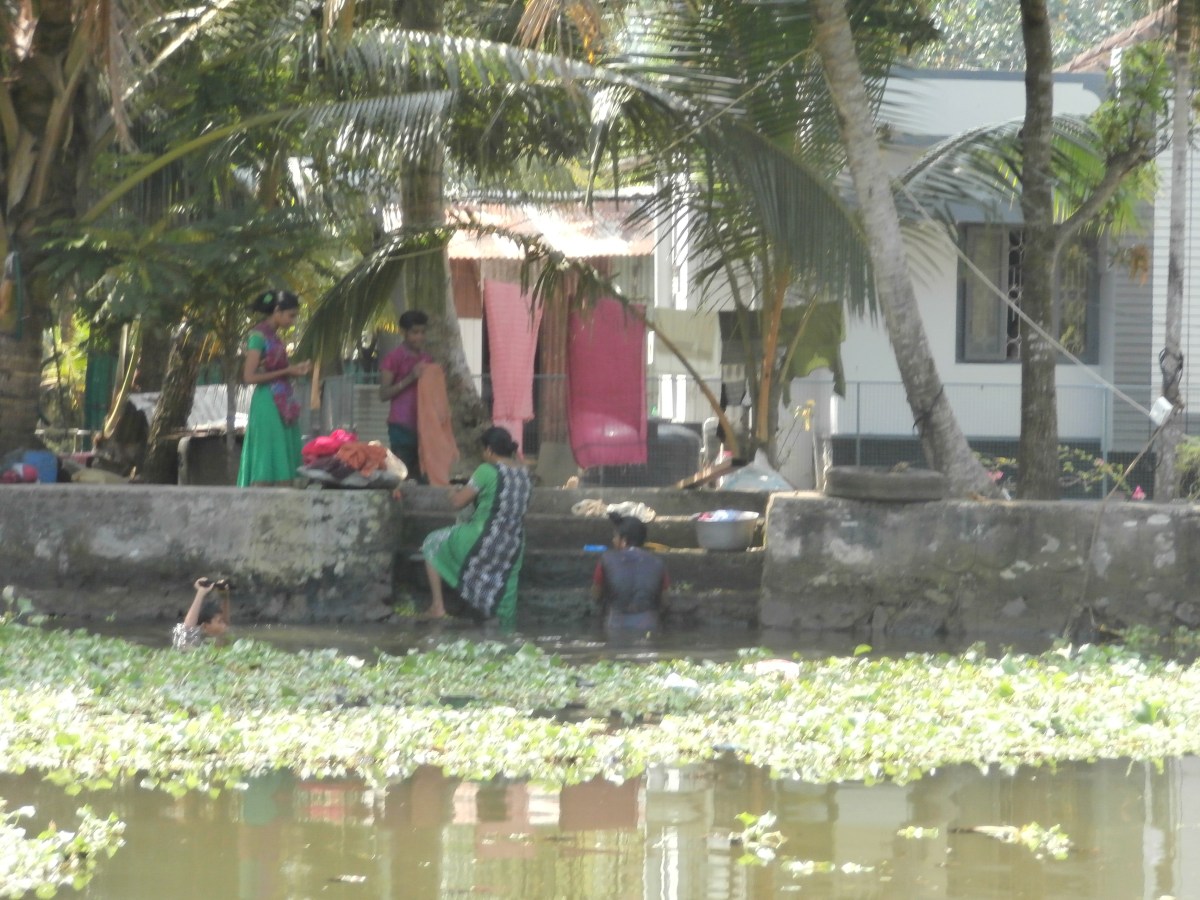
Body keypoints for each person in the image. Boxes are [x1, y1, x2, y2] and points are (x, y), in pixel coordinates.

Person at [421, 426, 532, 623]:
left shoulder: (486, 471)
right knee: (506, 589)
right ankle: (505, 627)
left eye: (483, 450)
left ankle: (438, 606)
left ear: (489, 450)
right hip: (513, 545)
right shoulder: (525, 474)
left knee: (431, 542)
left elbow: (458, 503)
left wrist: (452, 492)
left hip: (483, 538)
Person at [237, 290, 312, 487]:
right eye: (291, 315)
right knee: (268, 460)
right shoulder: (258, 336)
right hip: (267, 403)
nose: (293, 321)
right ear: (277, 311)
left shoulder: (275, 336)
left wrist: (293, 370)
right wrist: (287, 371)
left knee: (282, 458)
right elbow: (249, 376)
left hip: (281, 402)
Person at [591, 513, 670, 636]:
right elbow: (665, 601)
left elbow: (596, 594)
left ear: (623, 541)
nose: (613, 540)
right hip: (649, 624)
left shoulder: (606, 560)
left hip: (616, 624)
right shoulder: (658, 563)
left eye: (615, 537)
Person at [379, 310, 433, 481]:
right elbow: (384, 393)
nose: (419, 337)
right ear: (404, 332)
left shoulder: (427, 359)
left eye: (423, 332)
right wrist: (411, 378)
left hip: (424, 426)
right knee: (402, 475)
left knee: (425, 476)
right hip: (401, 427)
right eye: (414, 332)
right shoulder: (393, 358)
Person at [172, 577, 232, 649]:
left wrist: (224, 595)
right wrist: (200, 592)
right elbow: (188, 629)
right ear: (205, 626)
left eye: (222, 621)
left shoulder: (222, 637)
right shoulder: (196, 642)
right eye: (219, 621)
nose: (224, 625)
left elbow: (226, 621)